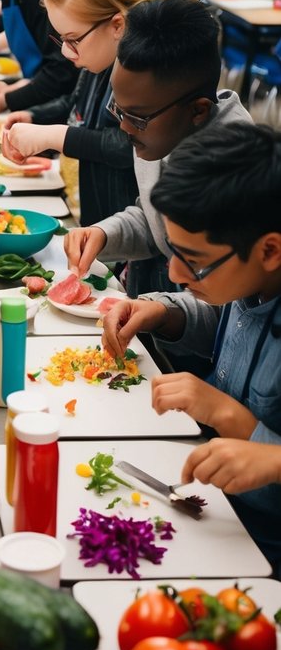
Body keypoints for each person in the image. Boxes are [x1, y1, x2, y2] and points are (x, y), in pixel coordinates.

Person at [101, 120, 281, 572]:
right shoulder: (250, 278)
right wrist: (164, 311)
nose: (177, 274)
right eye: (174, 253)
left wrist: (229, 417)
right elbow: (228, 317)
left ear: (270, 250)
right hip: (215, 513)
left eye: (194, 262)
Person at [64, 0, 251, 297]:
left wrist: (160, 312)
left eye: (135, 117)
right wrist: (103, 233)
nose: (124, 127)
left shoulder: (235, 176)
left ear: (198, 110)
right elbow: (156, 220)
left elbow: (230, 310)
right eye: (118, 110)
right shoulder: (157, 126)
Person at [0, 0, 150, 225]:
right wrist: (34, 116)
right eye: (61, 39)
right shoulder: (101, 56)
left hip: (127, 227)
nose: (66, 51)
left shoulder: (143, 74)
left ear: (117, 25)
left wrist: (55, 136)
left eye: (73, 39)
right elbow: (76, 104)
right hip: (100, 220)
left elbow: (127, 146)